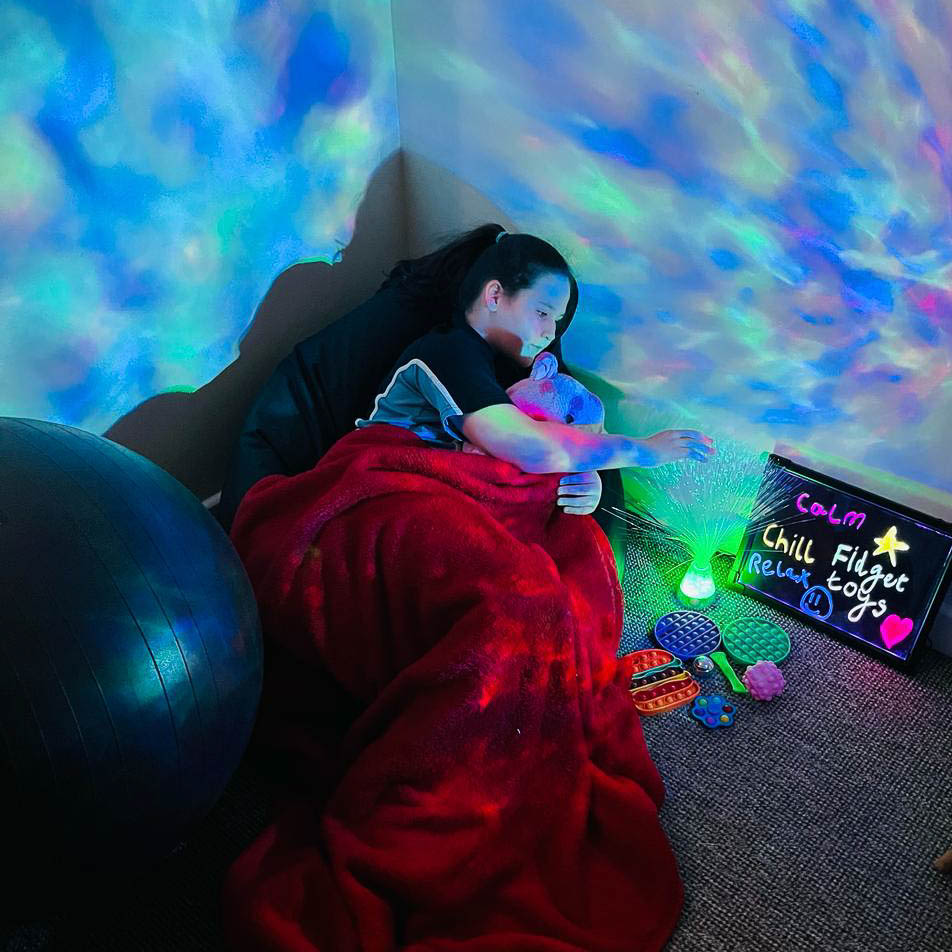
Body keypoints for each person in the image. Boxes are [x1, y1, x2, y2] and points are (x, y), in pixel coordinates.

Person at [357, 223, 716, 514]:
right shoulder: (447, 352)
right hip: (388, 485)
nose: (549, 334)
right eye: (542, 313)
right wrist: (645, 451)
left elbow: (555, 441)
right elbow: (531, 447)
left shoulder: (519, 365)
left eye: (557, 322)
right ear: (495, 296)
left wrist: (584, 479)